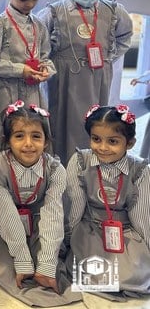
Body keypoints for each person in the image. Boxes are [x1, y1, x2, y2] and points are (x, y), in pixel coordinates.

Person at [0, 101, 81, 306]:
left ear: (45, 141)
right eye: (19, 136)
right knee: (8, 268)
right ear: (7, 141)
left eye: (36, 136)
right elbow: (5, 212)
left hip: (39, 220)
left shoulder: (55, 169)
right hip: (1, 224)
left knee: (49, 265)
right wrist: (21, 259)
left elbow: (53, 214)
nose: (28, 143)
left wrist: (45, 264)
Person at [38, 0, 133, 162]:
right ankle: (62, 170)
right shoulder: (55, 12)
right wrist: (50, 62)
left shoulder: (113, 10)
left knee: (97, 123)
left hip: (97, 76)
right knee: (62, 126)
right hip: (64, 79)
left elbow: (125, 34)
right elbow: (39, 40)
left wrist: (109, 55)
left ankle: (93, 170)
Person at [65, 104, 150, 300]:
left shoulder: (140, 170)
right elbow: (75, 207)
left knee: (134, 275)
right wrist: (68, 241)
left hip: (125, 230)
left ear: (129, 143)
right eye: (96, 139)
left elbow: (141, 216)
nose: (102, 147)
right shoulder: (80, 161)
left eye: (112, 141)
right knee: (91, 271)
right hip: (91, 227)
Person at [0, 0, 55, 160]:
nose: (30, 4)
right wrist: (20, 70)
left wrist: (46, 69)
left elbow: (46, 56)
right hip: (5, 92)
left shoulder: (39, 25)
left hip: (34, 93)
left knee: (33, 134)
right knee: (1, 137)